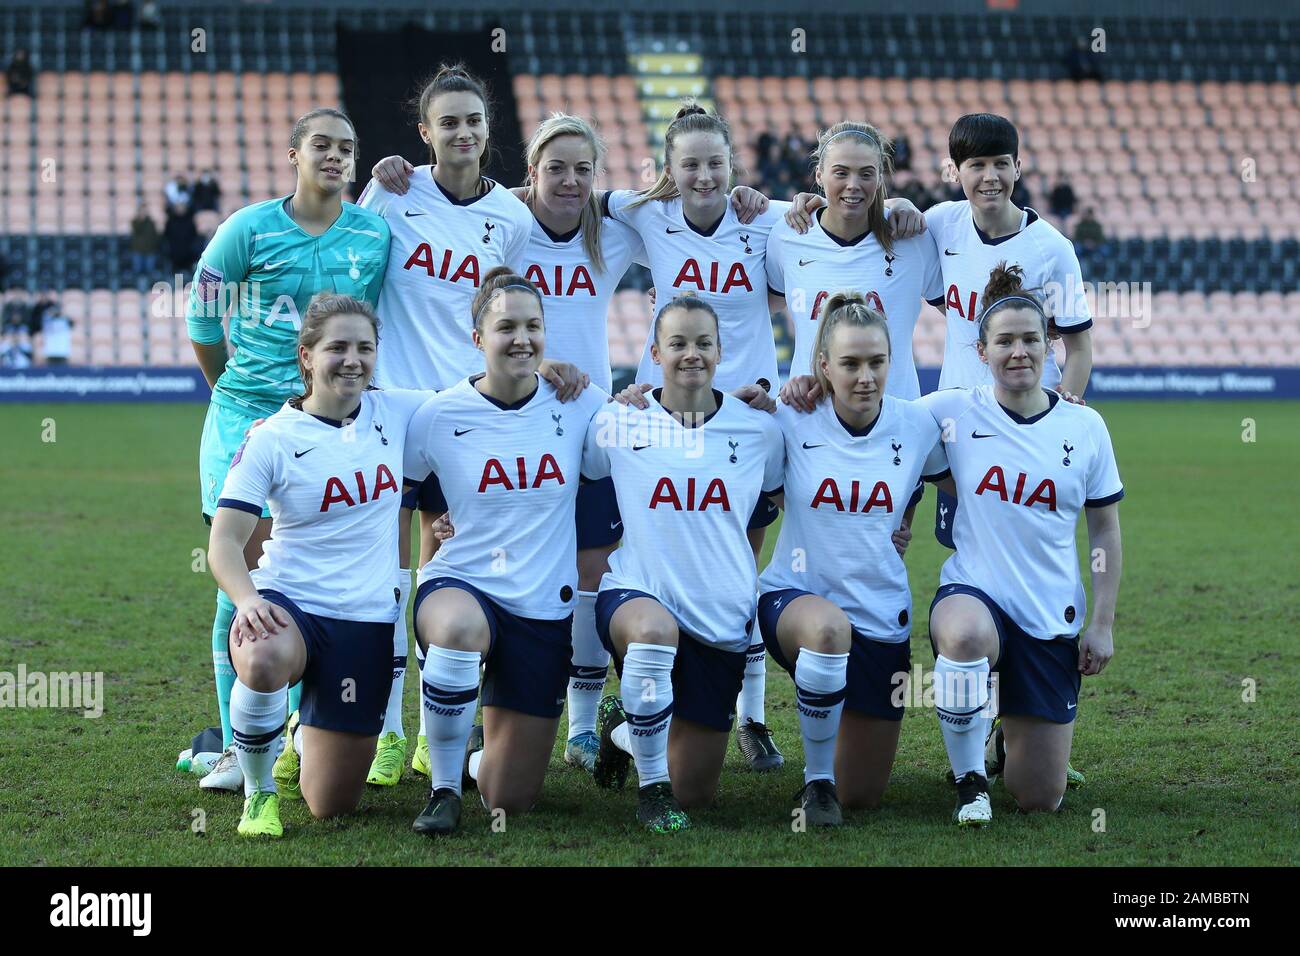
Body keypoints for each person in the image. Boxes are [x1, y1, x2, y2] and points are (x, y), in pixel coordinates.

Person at [368, 111, 775, 774]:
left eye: (582, 169)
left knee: (590, 571)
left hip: (586, 423)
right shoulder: (511, 225)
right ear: (531, 172)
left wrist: (753, 198)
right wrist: (401, 178)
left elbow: (688, 219)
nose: (568, 180)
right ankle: (440, 728)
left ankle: (584, 728)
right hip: (501, 422)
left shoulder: (614, 228)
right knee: (448, 556)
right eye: (554, 167)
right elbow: (472, 288)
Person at [355, 64, 588, 788]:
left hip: (466, 413)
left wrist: (539, 364)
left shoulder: (512, 220)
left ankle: (434, 730)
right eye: (446, 122)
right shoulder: (392, 193)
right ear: (425, 133)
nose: (461, 133)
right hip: (394, 406)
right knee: (382, 576)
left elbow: (506, 307)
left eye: (472, 121)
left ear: (489, 133)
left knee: (442, 564)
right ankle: (387, 730)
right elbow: (355, 276)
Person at [184, 107, 390, 793]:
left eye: (347, 148)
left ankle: (309, 732)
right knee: (244, 573)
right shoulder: (246, 229)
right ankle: (235, 746)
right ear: (294, 154)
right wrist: (231, 390)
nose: (335, 157)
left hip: (327, 422)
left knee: (313, 568)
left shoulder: (373, 232)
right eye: (322, 146)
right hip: (245, 416)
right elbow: (202, 315)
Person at [208, 293, 432, 837]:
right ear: (306, 355)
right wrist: (248, 599)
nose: (352, 359)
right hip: (291, 604)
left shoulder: (398, 411)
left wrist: (544, 366)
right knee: (261, 656)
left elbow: (482, 396)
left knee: (331, 805)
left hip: (364, 620)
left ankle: (302, 731)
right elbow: (224, 544)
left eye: (364, 347)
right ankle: (259, 794)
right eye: (337, 347)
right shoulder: (271, 438)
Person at [917, 263, 1123, 826]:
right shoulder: (954, 410)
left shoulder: (1085, 428)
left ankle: (1005, 729)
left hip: (1049, 614)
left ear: (1050, 344)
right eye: (1003, 341)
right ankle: (969, 783)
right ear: (981, 351)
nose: (1019, 351)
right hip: (975, 593)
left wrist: (1101, 622)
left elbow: (1104, 529)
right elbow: (868, 418)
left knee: (1039, 798)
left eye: (1031, 339)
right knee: (963, 635)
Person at [403, 268, 606, 834]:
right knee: (459, 632)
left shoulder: (581, 403)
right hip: (461, 583)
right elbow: (391, 482)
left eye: (533, 326)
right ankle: (442, 788)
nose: (522, 338)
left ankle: (472, 758)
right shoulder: (436, 414)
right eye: (505, 327)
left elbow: (654, 423)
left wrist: (733, 402)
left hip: (541, 605)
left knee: (508, 799)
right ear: (477, 338)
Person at [585, 295, 784, 832]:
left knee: (695, 790)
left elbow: (781, 501)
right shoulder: (619, 420)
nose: (690, 354)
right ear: (655, 352)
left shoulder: (759, 428)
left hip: (719, 623)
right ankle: (651, 793)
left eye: (702, 343)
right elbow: (557, 475)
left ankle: (621, 729)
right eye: (677, 343)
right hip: (638, 595)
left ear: (721, 351)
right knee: (652, 632)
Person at [758, 292, 947, 825]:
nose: (865, 376)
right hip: (795, 600)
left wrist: (904, 520)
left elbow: (931, 481)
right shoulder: (790, 420)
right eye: (849, 364)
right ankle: (816, 786)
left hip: (881, 614)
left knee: (863, 794)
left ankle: (837, 782)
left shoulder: (917, 425)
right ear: (822, 365)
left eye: (876, 362)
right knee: (826, 631)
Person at [767, 121, 943, 403]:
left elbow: (960, 315)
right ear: (819, 175)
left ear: (880, 179)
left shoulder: (912, 240)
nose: (853, 185)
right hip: (811, 419)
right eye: (841, 172)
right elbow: (760, 309)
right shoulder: (788, 235)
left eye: (866, 174)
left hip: (895, 420)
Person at [129, 206, 161, 283]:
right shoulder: (135, 222)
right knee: (137, 271)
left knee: (150, 272)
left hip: (150, 250)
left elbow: (155, 235)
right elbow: (137, 229)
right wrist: (141, 220)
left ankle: (149, 287)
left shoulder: (151, 223)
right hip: (137, 250)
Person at [38, 299, 72, 366]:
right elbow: (41, 321)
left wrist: (63, 314)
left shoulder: (65, 321)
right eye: (55, 309)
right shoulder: (47, 321)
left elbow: (72, 323)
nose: (57, 311)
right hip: (50, 352)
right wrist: (49, 313)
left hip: (62, 352)